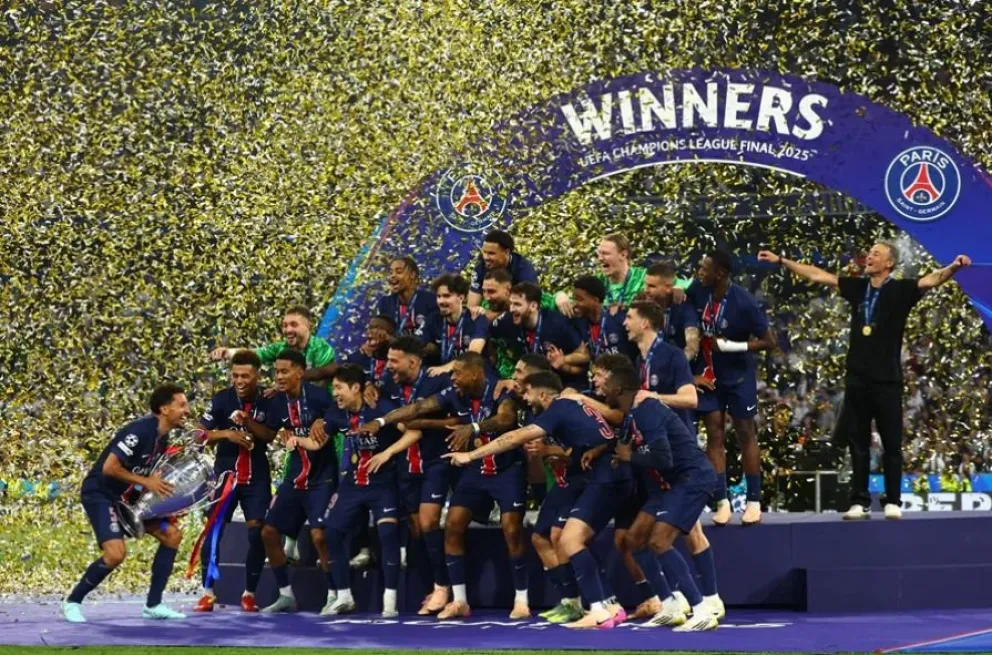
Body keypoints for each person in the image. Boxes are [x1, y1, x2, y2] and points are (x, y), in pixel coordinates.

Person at [758, 244, 971, 519]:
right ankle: (859, 500)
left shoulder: (901, 290)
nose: (869, 256)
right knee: (857, 443)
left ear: (890, 263)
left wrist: (954, 266)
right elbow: (818, 276)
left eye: (877, 254)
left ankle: (893, 500)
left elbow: (933, 279)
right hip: (857, 378)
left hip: (887, 380)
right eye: (869, 253)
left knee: (891, 443)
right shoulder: (859, 288)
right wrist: (782, 260)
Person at [445, 371, 628, 629]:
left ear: (543, 393)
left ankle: (600, 608)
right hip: (607, 473)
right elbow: (596, 436)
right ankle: (608, 606)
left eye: (528, 392)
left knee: (569, 538)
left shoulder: (558, 408)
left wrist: (471, 455)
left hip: (605, 476)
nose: (526, 399)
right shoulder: (574, 405)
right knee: (565, 537)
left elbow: (514, 437)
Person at [606, 366, 721, 631]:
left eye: (604, 384)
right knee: (634, 539)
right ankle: (670, 604)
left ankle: (702, 609)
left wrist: (629, 457)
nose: (600, 389)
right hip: (668, 485)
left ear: (618, 389)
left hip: (691, 478)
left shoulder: (647, 411)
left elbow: (663, 457)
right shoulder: (632, 414)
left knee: (659, 541)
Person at [63, 384, 191, 623]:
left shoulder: (163, 439)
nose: (187, 410)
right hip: (100, 494)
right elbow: (109, 468)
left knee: (171, 535)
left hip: (128, 498)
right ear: (164, 409)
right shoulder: (139, 432)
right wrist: (146, 482)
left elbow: (150, 481)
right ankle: (73, 601)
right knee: (115, 554)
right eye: (181, 405)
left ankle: (153, 605)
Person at [322, 365, 422, 617]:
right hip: (353, 484)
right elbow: (319, 435)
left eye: (338, 388)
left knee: (387, 534)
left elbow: (414, 432)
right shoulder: (336, 414)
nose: (335, 393)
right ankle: (344, 596)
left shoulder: (381, 408)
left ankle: (390, 602)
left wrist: (387, 453)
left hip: (383, 483)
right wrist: (303, 433)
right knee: (332, 533)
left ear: (356, 388)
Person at [363, 335, 453, 615]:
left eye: (393, 360)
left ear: (413, 362)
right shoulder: (389, 384)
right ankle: (432, 589)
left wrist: (416, 423)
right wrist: (369, 386)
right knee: (416, 530)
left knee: (428, 523)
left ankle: (443, 587)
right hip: (406, 467)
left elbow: (453, 421)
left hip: (434, 461)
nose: (387, 365)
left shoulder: (438, 383)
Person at [688, 249, 776, 526]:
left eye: (704, 268)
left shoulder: (744, 302)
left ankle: (753, 501)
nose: (699, 272)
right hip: (709, 376)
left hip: (738, 377)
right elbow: (676, 290)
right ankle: (721, 501)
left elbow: (769, 341)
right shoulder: (697, 291)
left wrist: (732, 346)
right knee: (714, 433)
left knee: (745, 433)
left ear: (721, 274)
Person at [254, 349, 336, 614]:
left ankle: (335, 594)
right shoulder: (277, 402)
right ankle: (285, 594)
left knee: (319, 536)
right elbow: (268, 434)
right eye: (276, 371)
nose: (278, 376)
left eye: (284, 371)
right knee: (268, 532)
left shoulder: (319, 397)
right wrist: (245, 422)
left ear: (300, 372)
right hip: (294, 478)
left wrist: (324, 420)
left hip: (322, 478)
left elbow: (340, 417)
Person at [194, 350, 275, 613]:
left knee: (257, 533)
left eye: (245, 376)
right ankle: (207, 593)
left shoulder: (268, 400)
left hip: (256, 478)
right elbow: (198, 434)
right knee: (214, 530)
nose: (240, 381)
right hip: (225, 476)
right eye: (235, 376)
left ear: (257, 376)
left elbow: (270, 435)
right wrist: (227, 433)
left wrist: (248, 424)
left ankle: (249, 593)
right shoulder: (221, 399)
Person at [489, 282, 583, 385]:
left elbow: (584, 355)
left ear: (533, 306)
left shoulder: (557, 324)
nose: (511, 309)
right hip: (529, 384)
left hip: (561, 382)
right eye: (511, 303)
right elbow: (486, 330)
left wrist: (563, 360)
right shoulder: (507, 321)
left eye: (517, 304)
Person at [550, 275, 634, 387]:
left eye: (580, 299)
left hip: (623, 385)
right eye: (574, 298)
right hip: (597, 384)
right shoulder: (579, 323)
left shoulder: (618, 318)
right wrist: (558, 295)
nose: (575, 303)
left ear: (596, 300)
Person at [416, 273, 489, 375]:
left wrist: (445, 368)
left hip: (474, 376)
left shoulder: (476, 318)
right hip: (446, 376)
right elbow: (415, 344)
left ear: (461, 298)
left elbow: (472, 355)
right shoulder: (433, 319)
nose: (441, 301)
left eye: (446, 296)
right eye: (439, 296)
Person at [643, 261, 701, 363]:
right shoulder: (643, 305)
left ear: (668, 288)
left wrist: (675, 365)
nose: (645, 290)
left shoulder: (683, 307)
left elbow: (692, 346)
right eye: (645, 284)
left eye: (652, 286)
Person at [467, 229, 539, 308]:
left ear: (506, 252)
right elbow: (472, 306)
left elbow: (527, 305)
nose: (485, 257)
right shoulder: (481, 267)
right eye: (484, 252)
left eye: (491, 253)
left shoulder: (524, 271)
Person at [377, 256, 437, 336]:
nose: (392, 275)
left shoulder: (430, 300)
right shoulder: (385, 303)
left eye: (399, 272)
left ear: (412, 274)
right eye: (391, 272)